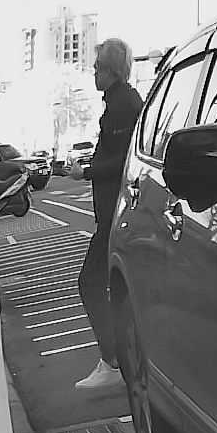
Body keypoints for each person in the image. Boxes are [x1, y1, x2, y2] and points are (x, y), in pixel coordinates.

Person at [74, 39, 142, 391]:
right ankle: (121, 359)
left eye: (98, 66)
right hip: (115, 213)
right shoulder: (119, 102)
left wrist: (87, 171)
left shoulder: (123, 104)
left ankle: (113, 361)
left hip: (118, 213)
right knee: (115, 285)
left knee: (90, 282)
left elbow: (123, 160)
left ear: (113, 70)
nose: (94, 72)